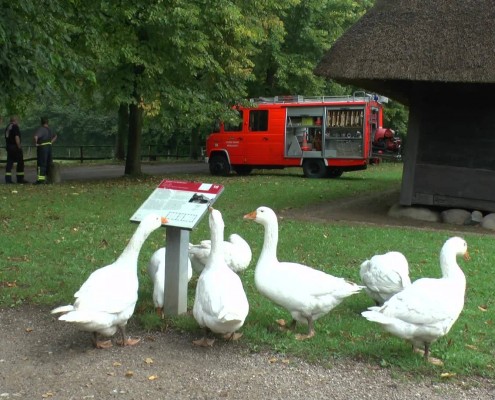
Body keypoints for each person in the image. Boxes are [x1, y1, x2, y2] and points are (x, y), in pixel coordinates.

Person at [33, 117, 57, 184]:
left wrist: (36, 144)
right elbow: (55, 136)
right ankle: (49, 179)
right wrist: (51, 142)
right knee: (49, 163)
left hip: (42, 147)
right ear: (47, 122)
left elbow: (35, 137)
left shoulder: (41, 129)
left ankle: (40, 180)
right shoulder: (50, 129)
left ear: (41, 122)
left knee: (41, 163)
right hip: (49, 147)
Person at [5, 116, 27, 184]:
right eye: (18, 121)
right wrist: (19, 146)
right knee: (20, 162)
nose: (18, 122)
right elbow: (16, 137)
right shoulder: (15, 126)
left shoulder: (8, 127)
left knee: (9, 163)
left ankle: (8, 180)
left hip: (9, 147)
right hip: (15, 147)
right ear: (15, 120)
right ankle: (20, 179)